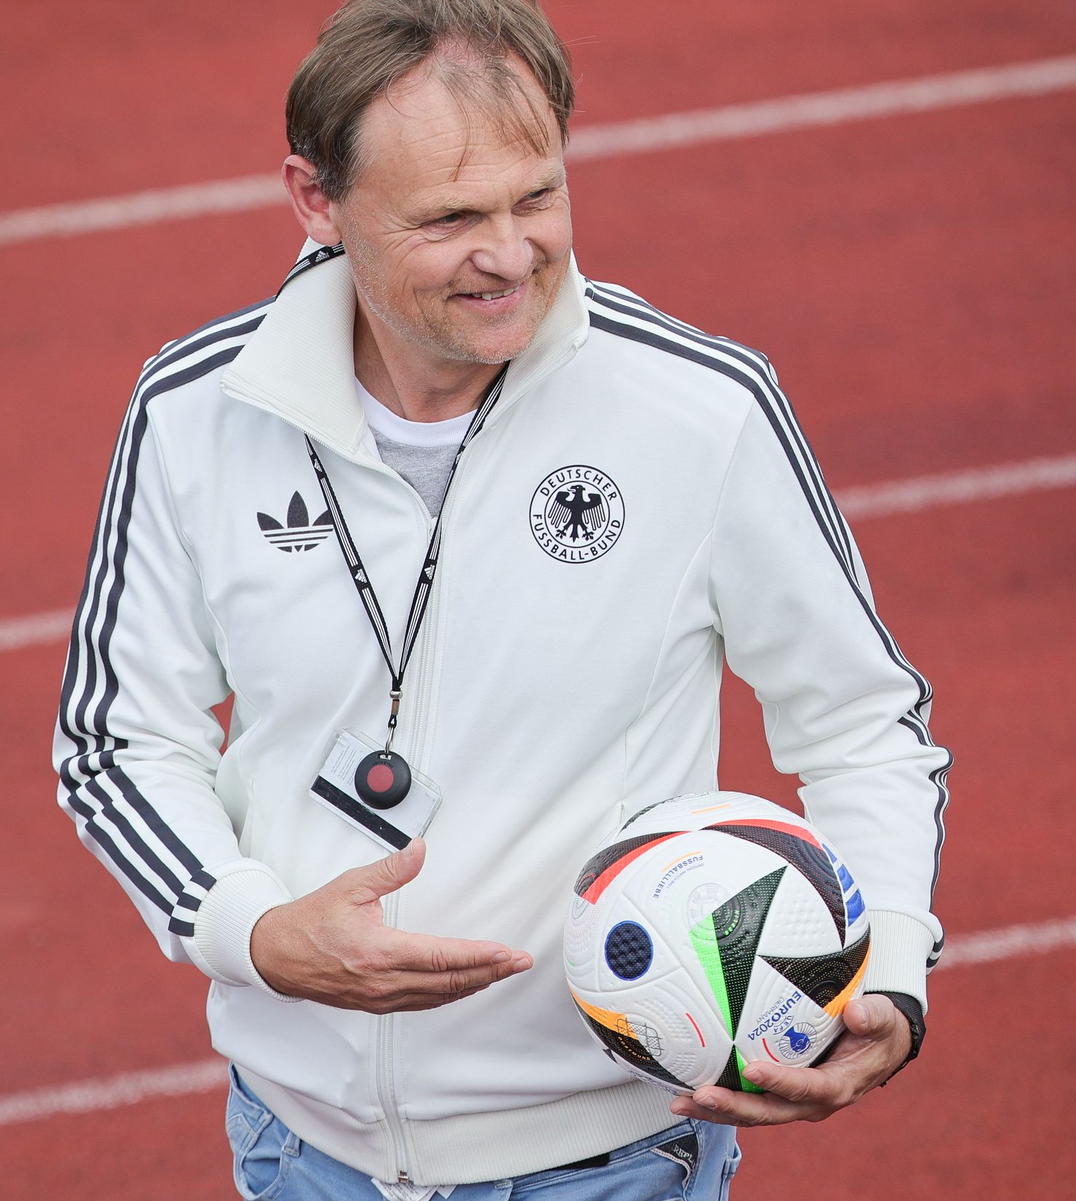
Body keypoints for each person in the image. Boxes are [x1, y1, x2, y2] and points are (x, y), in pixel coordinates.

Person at [53, 2, 950, 1198]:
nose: (513, 253)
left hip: (612, 1159)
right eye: (450, 218)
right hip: (297, 1148)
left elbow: (860, 722)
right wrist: (254, 930)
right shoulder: (195, 411)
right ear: (316, 201)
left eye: (539, 197)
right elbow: (115, 742)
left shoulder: (699, 410)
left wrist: (888, 968)